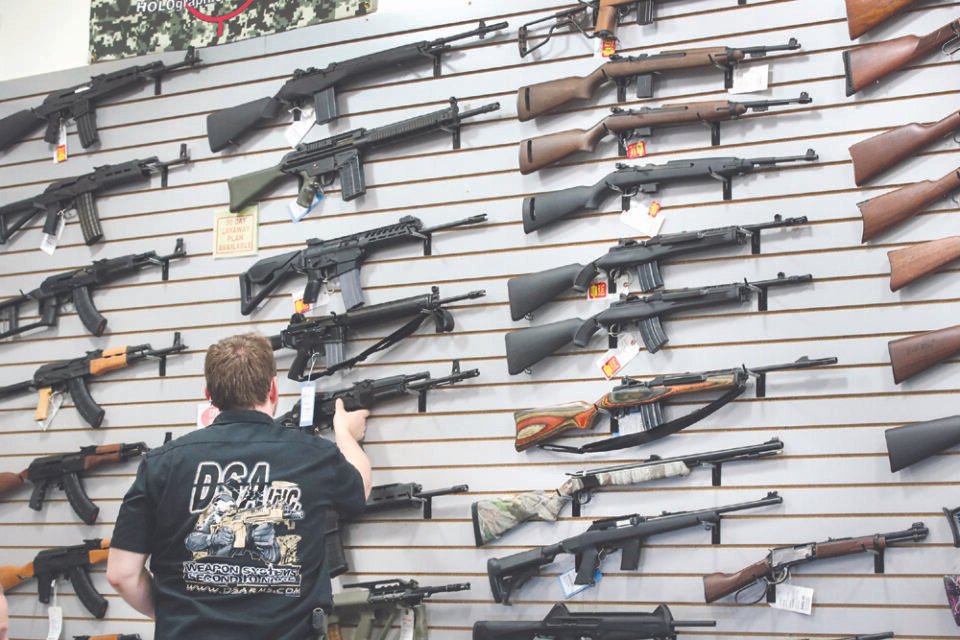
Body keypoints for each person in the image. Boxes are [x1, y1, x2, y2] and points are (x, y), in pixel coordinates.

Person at [107, 333, 371, 640]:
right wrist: (345, 434)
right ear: (273, 388)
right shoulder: (314, 455)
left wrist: (175, 614)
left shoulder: (161, 464)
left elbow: (121, 574)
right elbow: (359, 489)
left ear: (209, 394)